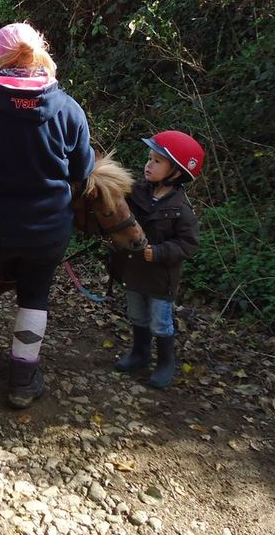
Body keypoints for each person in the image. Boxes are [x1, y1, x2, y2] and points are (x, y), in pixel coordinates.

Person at [0, 22, 94, 409]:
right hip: (48, 228)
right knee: (34, 297)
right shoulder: (68, 108)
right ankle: (22, 384)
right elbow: (82, 170)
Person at [108, 131, 202, 390]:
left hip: (161, 279)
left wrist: (159, 252)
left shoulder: (181, 209)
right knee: (136, 315)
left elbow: (188, 243)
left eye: (157, 161)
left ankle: (165, 363)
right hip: (133, 271)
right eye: (149, 158)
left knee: (160, 322)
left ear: (177, 172)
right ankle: (140, 353)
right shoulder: (136, 191)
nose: (148, 165)